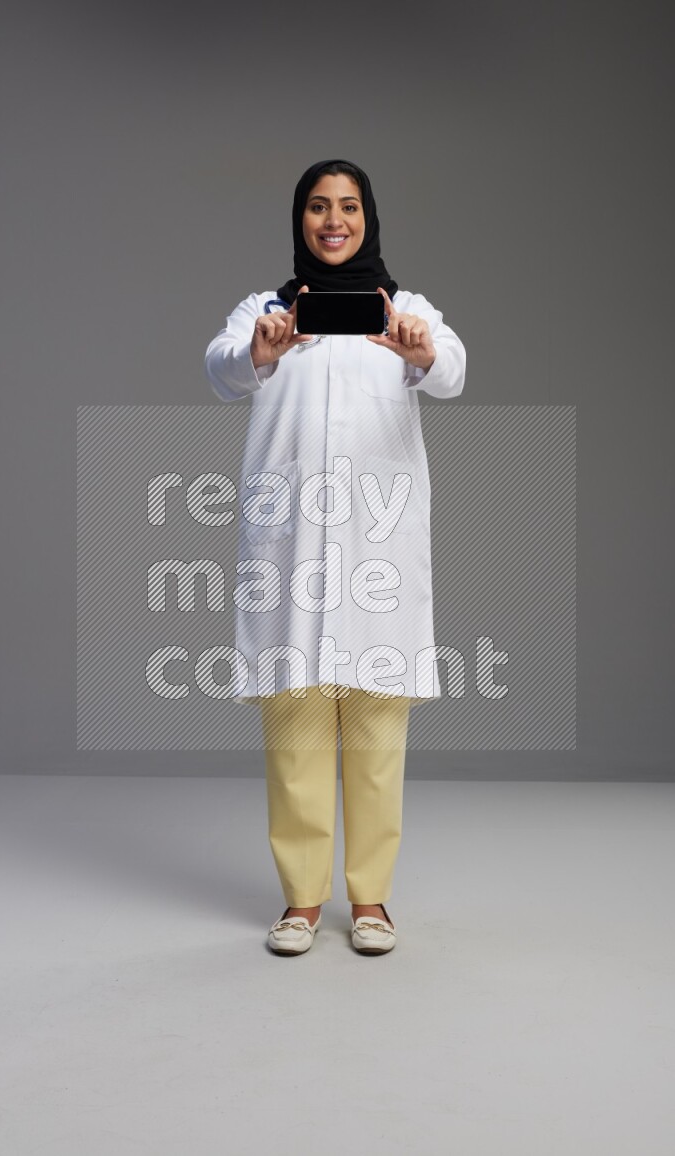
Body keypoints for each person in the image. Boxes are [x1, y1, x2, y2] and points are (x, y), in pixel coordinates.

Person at [204, 159, 466, 956]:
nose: (333, 220)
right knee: (296, 728)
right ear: (301, 219)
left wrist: (418, 350)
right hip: (290, 552)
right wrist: (261, 349)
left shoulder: (406, 307)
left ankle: (373, 902)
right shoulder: (268, 308)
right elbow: (218, 372)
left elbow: (452, 373)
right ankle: (301, 904)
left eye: (347, 206)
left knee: (378, 735)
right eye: (318, 206)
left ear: (367, 217)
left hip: (375, 553)